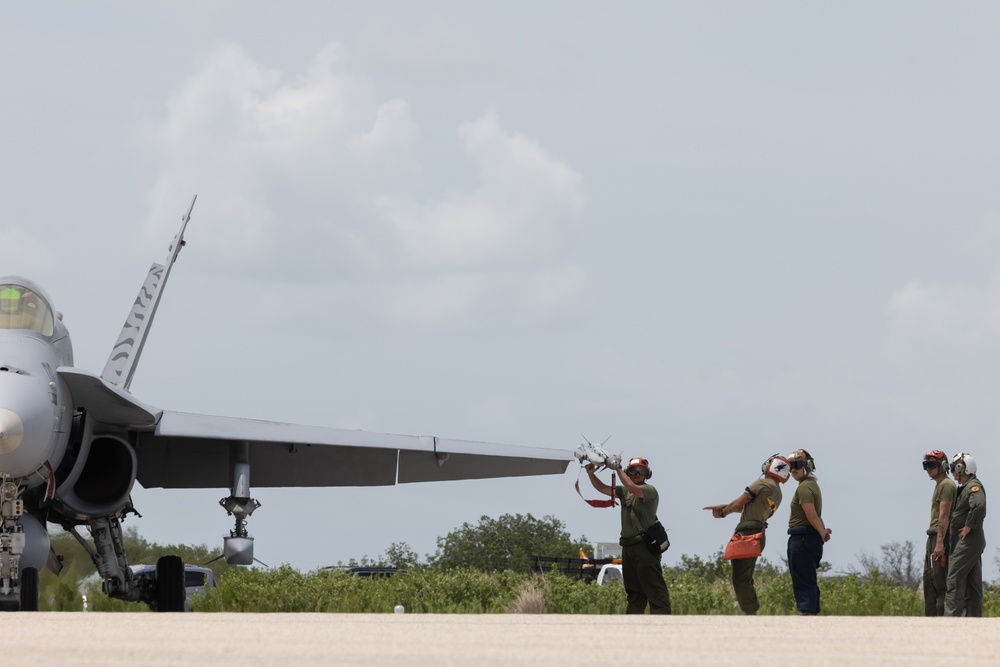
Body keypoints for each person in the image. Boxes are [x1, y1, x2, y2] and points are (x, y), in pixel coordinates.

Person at [703, 453, 790, 615]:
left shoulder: (762, 483)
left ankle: (750, 612)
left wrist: (723, 513)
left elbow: (739, 503)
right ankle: (751, 610)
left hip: (747, 531)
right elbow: (746, 507)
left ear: (771, 466)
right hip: (759, 532)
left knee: (739, 578)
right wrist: (725, 507)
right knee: (745, 574)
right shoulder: (777, 492)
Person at [585, 456, 671, 614]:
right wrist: (591, 474)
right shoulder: (624, 491)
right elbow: (603, 488)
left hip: (645, 547)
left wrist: (616, 467)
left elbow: (633, 488)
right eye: (633, 470)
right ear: (628, 472)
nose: (637, 473)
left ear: (647, 473)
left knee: (654, 588)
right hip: (628, 547)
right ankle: (632, 624)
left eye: (641, 470)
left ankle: (662, 622)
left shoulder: (649, 491)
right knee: (633, 591)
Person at [785, 449, 831, 615]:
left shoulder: (804, 488)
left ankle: (807, 613)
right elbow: (817, 517)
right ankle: (812, 612)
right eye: (790, 466)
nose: (793, 470)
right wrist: (823, 532)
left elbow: (811, 516)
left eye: (797, 465)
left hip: (802, 539)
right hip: (810, 538)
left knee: (803, 580)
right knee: (809, 578)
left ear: (807, 465)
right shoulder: (812, 485)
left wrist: (821, 532)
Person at [945, 452, 987, 617]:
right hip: (971, 542)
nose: (953, 472)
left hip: (968, 541)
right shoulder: (967, 487)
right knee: (973, 582)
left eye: (954, 468)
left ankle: (951, 618)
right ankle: (974, 619)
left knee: (954, 577)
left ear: (963, 468)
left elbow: (979, 505)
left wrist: (969, 525)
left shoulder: (973, 486)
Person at [921, 450, 955, 616]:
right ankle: (931, 619)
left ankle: (942, 620)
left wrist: (940, 543)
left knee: (939, 581)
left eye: (932, 465)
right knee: (929, 580)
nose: (928, 468)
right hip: (933, 536)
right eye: (926, 465)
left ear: (943, 466)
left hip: (939, 537)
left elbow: (944, 515)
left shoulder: (947, 485)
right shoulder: (940, 485)